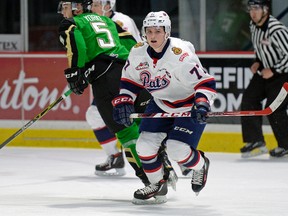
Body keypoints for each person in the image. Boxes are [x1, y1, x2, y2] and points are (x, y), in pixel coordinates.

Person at [112, 11, 217, 204]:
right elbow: (129, 81)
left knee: (176, 149)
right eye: (149, 31)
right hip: (160, 103)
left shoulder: (180, 56)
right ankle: (158, 184)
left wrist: (202, 103)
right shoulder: (138, 52)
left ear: (167, 32)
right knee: (143, 146)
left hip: (187, 105)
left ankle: (200, 165)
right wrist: (125, 100)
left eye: (157, 31)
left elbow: (206, 83)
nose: (153, 36)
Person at [57, 0, 149, 184]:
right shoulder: (106, 21)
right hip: (129, 71)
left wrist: (76, 73)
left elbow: (79, 48)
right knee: (141, 121)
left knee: (126, 129)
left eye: (66, 7)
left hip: (111, 76)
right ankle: (163, 163)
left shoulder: (117, 20)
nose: (62, 11)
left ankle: (154, 176)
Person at [85, 0, 144, 176]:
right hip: (109, 80)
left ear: (108, 5)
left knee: (142, 123)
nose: (91, 8)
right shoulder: (93, 23)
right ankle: (115, 156)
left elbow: (134, 49)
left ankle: (178, 158)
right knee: (94, 114)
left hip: (128, 80)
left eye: (96, 4)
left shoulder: (121, 22)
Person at [240, 0, 288, 158]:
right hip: (266, 72)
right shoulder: (253, 25)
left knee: (275, 108)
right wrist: (257, 62)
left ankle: (286, 146)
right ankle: (255, 141)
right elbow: (261, 48)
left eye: (256, 9)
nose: (252, 12)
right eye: (250, 9)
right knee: (248, 100)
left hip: (283, 74)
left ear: (265, 10)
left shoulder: (276, 29)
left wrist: (274, 70)